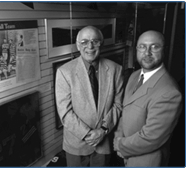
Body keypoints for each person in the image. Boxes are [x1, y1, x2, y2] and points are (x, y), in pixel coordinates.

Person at [55, 26, 124, 167]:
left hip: (103, 142)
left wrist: (103, 130)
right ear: (77, 45)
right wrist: (88, 134)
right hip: (76, 144)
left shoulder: (116, 69)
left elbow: (118, 105)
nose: (90, 46)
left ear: (101, 43)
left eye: (95, 41)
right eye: (84, 42)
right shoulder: (64, 72)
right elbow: (65, 112)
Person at [113, 30, 182, 167]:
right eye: (142, 46)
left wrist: (120, 145)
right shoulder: (134, 76)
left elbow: (151, 138)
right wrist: (118, 136)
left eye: (155, 47)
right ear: (137, 49)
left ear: (164, 50)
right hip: (127, 154)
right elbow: (124, 112)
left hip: (147, 160)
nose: (147, 52)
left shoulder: (169, 92)